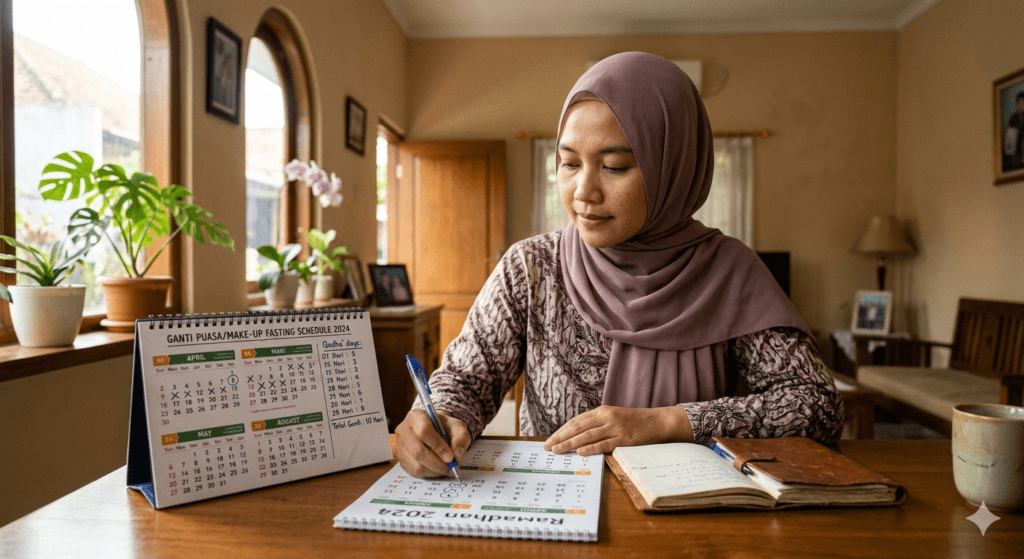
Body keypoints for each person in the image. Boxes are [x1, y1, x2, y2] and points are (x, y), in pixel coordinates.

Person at [396, 52, 843, 479]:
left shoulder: (729, 272)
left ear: (673, 167)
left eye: (613, 167)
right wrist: (435, 420)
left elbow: (817, 406)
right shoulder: (530, 269)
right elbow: (466, 381)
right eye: (569, 163)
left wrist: (665, 423)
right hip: (555, 514)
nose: (582, 191)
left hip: (694, 524)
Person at [1004, 92, 1024, 172]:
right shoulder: (1013, 118)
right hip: (1015, 155)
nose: (1021, 104)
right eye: (1020, 102)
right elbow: (1009, 140)